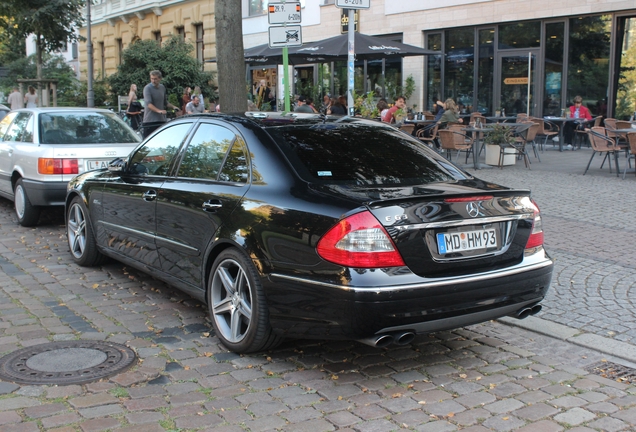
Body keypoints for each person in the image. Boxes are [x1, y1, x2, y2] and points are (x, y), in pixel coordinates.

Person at [142, 70, 178, 138]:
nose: (153, 81)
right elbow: (149, 104)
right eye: (152, 78)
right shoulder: (147, 88)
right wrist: (159, 111)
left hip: (161, 120)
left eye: (155, 79)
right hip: (150, 121)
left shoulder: (162, 87)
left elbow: (165, 102)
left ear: (160, 78)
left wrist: (173, 107)